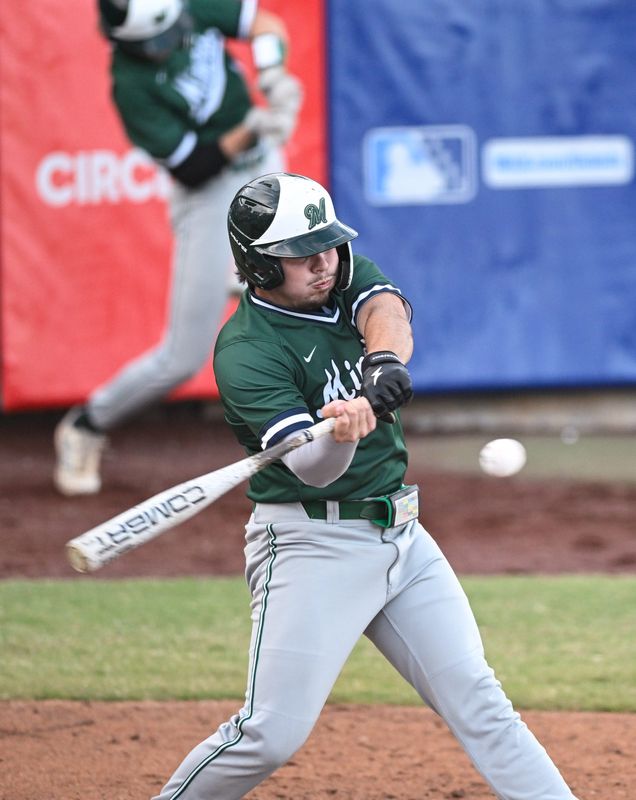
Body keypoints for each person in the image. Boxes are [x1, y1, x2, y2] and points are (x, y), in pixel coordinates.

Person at [152, 172, 579, 800]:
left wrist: (383, 362)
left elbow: (386, 308)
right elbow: (313, 471)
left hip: (404, 539)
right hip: (312, 546)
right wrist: (342, 434)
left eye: (327, 246)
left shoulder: (339, 270)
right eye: (302, 255)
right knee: (269, 734)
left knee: (482, 703)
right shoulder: (247, 352)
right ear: (259, 266)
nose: (324, 263)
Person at [53, 0, 302, 496]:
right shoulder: (131, 85)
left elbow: (264, 23)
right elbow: (194, 166)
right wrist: (252, 125)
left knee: (309, 295)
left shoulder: (186, 5)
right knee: (183, 356)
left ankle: (314, 446)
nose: (178, 38)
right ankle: (87, 424)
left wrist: (272, 74)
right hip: (209, 192)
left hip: (263, 168)